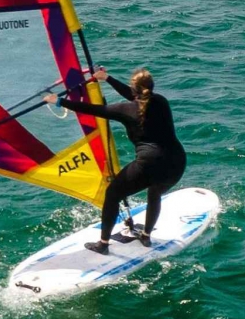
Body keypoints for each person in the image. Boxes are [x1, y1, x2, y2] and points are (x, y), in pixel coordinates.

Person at [44, 67, 186, 254]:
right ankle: (146, 236)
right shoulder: (161, 101)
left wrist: (59, 101)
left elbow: (93, 109)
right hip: (176, 162)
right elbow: (136, 98)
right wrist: (107, 78)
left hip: (149, 163)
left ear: (134, 89)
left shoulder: (125, 109)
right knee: (155, 192)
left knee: (112, 194)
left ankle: (103, 244)